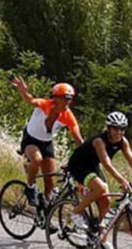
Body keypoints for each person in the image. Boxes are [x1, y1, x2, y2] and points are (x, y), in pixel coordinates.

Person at [66, 111, 132, 243]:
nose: (119, 132)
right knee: (101, 188)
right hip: (78, 165)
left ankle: (101, 241)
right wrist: (122, 180)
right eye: (116, 128)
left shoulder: (123, 141)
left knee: (106, 202)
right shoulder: (99, 141)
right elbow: (106, 163)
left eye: (122, 129)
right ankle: (76, 212)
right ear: (108, 128)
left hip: (93, 166)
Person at [12, 76, 84, 206]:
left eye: (70, 99)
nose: (68, 102)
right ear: (55, 98)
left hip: (47, 143)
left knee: (50, 182)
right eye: (65, 98)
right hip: (30, 139)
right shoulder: (45, 104)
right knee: (37, 159)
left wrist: (88, 154)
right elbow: (30, 100)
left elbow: (78, 139)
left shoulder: (68, 116)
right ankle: (30, 187)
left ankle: (46, 214)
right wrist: (23, 91)